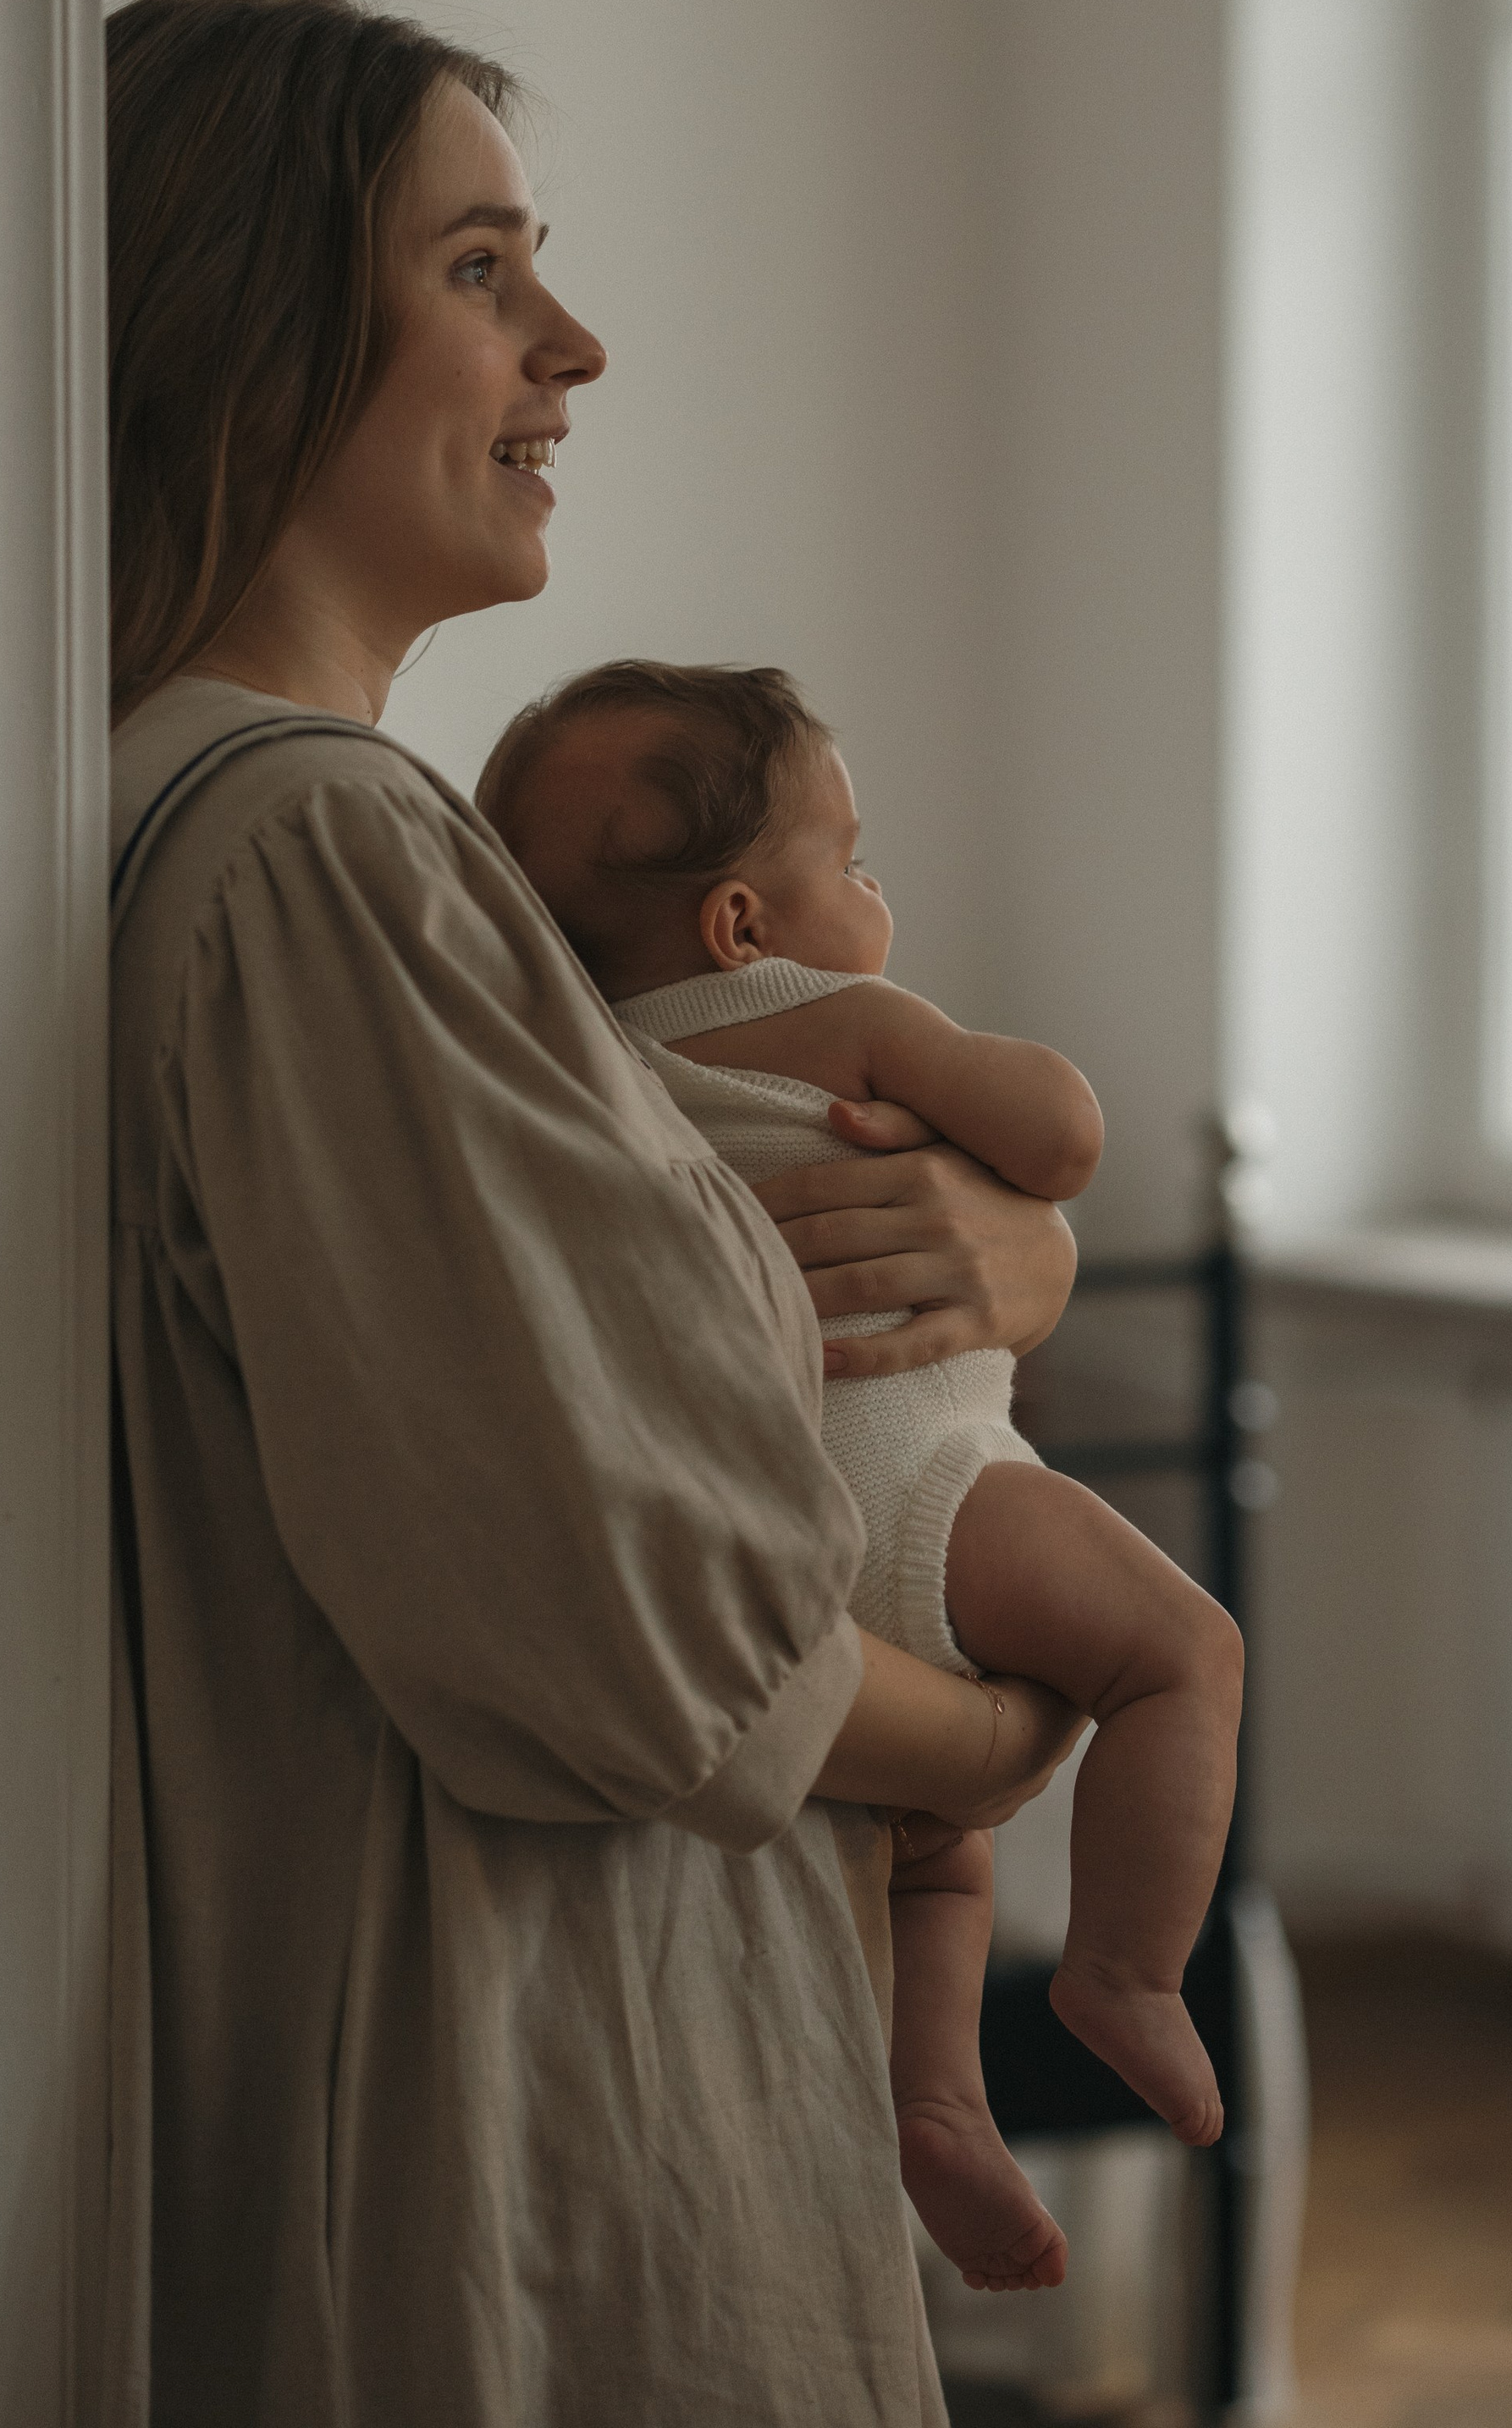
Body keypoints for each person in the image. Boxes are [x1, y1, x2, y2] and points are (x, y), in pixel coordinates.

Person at [103, 0, 1084, 2428]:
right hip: (539, 2128)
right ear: (237, 322)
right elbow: (628, 1631)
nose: (579, 341)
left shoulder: (324, 833)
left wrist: (1006, 1259)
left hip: (571, 2055)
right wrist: (1003, 1734)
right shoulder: (317, 851)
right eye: (478, 272)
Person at [474, 661, 1245, 2298]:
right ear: (747, 927)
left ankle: (936, 2103)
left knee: (927, 1846)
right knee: (1189, 1654)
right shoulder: (842, 1021)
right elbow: (1058, 1139)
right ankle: (1127, 1970)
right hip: (929, 1479)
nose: (879, 892)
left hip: (782, 1541)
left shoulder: (579, 1062)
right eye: (859, 857)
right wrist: (1018, 1115)